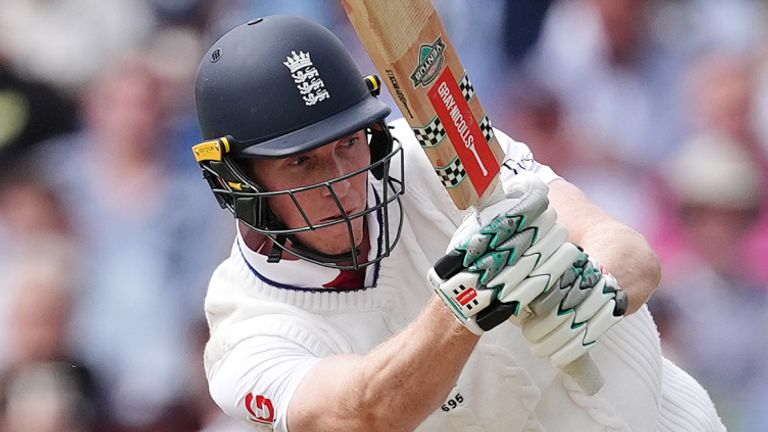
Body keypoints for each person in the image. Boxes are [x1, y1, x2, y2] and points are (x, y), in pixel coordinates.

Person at [193, 16, 724, 431]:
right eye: (301, 162)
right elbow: (362, 416)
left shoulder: (434, 151)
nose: (344, 184)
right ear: (237, 179)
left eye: (349, 143)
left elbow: (624, 246)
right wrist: (464, 305)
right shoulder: (246, 330)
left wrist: (599, 287)